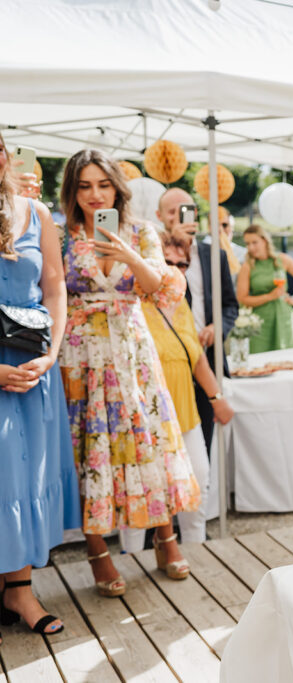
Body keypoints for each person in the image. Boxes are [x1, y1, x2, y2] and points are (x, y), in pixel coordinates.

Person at [60, 149, 200, 595]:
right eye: (84, 186)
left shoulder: (139, 231)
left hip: (133, 350)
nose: (94, 195)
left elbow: (161, 288)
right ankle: (98, 551)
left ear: (117, 188)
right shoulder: (62, 235)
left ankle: (166, 537)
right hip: (81, 354)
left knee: (149, 442)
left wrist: (129, 255)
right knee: (90, 450)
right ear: (72, 191)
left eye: (102, 185)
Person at [0, 132, 80, 640]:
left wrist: (51, 354)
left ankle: (20, 590)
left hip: (32, 366)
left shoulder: (36, 212)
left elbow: (54, 287)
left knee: (23, 479)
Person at [121, 231, 235, 551]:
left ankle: (197, 555)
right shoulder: (132, 302)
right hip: (144, 416)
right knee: (142, 495)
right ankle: (133, 559)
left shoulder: (181, 304)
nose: (173, 269)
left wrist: (217, 399)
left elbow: (196, 358)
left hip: (185, 411)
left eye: (181, 264)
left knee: (197, 484)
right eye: (165, 262)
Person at [156, 188, 239, 451]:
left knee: (203, 444)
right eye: (172, 212)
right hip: (169, 362)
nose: (179, 218)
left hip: (208, 358)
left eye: (185, 211)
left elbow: (230, 306)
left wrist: (218, 327)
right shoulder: (154, 256)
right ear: (160, 216)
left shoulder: (214, 255)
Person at [236, 224, 293, 353]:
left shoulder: (282, 260)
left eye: (254, 242)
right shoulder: (247, 266)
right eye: (247, 244)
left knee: (287, 359)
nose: (250, 247)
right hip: (260, 322)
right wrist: (270, 296)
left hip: (284, 317)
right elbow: (242, 299)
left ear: (264, 240)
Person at [202, 207, 245, 280]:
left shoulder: (241, 252)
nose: (220, 229)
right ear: (209, 227)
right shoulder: (203, 250)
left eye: (224, 225)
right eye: (216, 225)